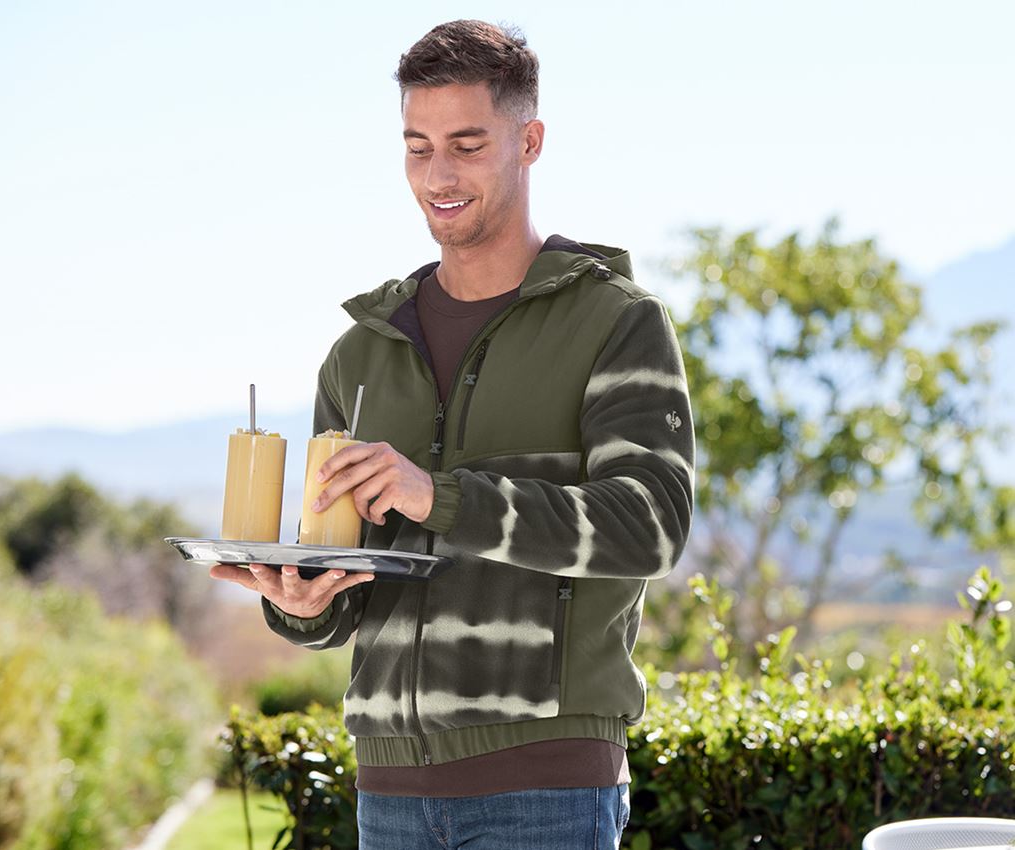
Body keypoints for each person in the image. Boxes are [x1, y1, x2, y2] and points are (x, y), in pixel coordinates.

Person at [210, 19, 695, 850]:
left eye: (468, 145)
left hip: (546, 784)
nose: (439, 174)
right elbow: (348, 582)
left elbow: (649, 527)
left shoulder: (615, 323)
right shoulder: (361, 351)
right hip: (388, 788)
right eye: (418, 146)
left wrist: (438, 495)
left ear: (529, 140)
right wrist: (300, 604)